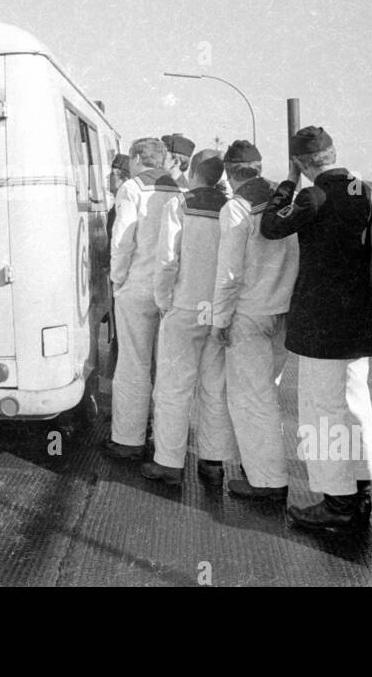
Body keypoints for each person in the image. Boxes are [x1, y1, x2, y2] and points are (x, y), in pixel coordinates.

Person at [259, 126, 372, 533]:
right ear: (333, 152)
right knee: (356, 403)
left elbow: (272, 226)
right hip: (359, 319)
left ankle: (337, 503)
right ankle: (360, 488)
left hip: (321, 324)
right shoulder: (366, 190)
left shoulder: (313, 195)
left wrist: (288, 183)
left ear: (303, 163)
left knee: (321, 412)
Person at [142, 150, 238, 487]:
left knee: (173, 387)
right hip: (219, 309)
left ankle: (169, 462)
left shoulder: (180, 205)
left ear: (194, 170)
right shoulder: (232, 206)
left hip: (184, 306)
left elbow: (167, 260)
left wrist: (164, 301)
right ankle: (212, 461)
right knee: (215, 388)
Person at [210, 140, 300, 499]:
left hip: (250, 312)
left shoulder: (237, 208)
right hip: (284, 310)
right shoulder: (283, 199)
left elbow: (229, 272)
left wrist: (219, 318)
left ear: (231, 172)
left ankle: (266, 480)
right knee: (267, 392)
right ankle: (260, 465)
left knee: (251, 398)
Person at [104, 138, 182, 459]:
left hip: (136, 286)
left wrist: (117, 279)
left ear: (136, 158)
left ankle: (127, 440)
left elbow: (122, 241)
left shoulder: (131, 189)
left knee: (133, 364)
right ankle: (163, 442)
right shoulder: (177, 189)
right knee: (165, 367)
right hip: (170, 288)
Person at [104, 153, 131, 375]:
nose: (107, 179)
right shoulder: (119, 202)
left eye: (111, 175)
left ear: (119, 176)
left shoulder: (122, 203)